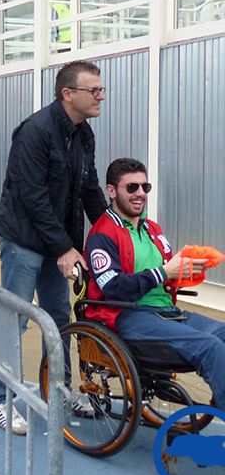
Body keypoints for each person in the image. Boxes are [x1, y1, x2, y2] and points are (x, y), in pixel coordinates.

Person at [0, 60, 109, 434]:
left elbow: (89, 190)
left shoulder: (84, 134)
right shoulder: (35, 132)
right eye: (94, 90)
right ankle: (1, 401)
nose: (101, 96)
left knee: (59, 320)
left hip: (56, 242)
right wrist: (64, 248)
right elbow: (32, 197)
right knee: (15, 320)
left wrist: (114, 232)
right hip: (24, 240)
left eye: (101, 90)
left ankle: (56, 390)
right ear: (68, 94)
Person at [85, 157, 225, 408]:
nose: (140, 194)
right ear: (111, 191)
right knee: (210, 347)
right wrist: (163, 272)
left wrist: (190, 266)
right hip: (130, 316)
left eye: (144, 187)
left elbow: (169, 275)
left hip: (167, 312)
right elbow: (113, 288)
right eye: (131, 187)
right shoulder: (102, 235)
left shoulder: (153, 229)